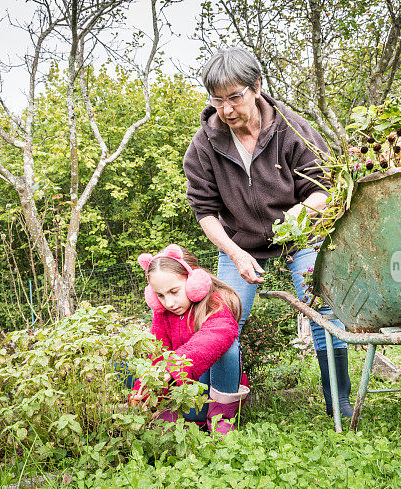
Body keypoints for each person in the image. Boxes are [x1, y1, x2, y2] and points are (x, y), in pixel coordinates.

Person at [184, 47, 353, 418]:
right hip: (239, 240)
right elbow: (205, 211)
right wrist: (235, 253)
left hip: (300, 234)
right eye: (217, 100)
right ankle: (218, 411)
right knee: (223, 321)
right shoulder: (203, 146)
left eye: (234, 97)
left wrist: (294, 221)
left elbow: (322, 188)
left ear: (256, 87)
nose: (226, 109)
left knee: (324, 311)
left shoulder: (292, 129)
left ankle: (339, 405)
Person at [131, 244, 249, 434]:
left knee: (229, 347)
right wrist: (142, 393)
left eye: (174, 291)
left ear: (195, 281)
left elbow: (217, 334)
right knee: (126, 364)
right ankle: (175, 421)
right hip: (185, 399)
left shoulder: (215, 303)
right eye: (160, 295)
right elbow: (156, 356)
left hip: (212, 397)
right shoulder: (163, 315)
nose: (168, 302)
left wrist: (174, 367)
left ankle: (221, 422)